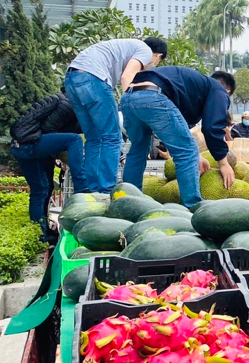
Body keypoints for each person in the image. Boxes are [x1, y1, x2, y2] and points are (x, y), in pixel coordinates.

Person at [120, 66, 234, 209]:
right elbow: (211, 127)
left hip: (128, 97)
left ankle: (129, 201)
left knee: (137, 149)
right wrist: (223, 163)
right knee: (187, 150)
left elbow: (174, 129)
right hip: (153, 95)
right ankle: (193, 205)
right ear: (228, 91)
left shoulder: (191, 86)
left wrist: (197, 157)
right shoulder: (219, 91)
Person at [64, 37, 168, 193]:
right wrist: (130, 103)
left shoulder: (126, 46)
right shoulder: (145, 50)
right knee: (112, 137)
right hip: (93, 78)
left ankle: (92, 189)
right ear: (158, 55)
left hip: (72, 78)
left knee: (93, 137)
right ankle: (107, 189)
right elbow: (127, 77)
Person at [10, 93, 89, 242]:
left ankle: (41, 233)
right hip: (28, 145)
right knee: (74, 140)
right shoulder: (67, 106)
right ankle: (81, 188)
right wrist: (64, 156)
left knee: (42, 190)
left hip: (20, 146)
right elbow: (48, 131)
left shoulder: (69, 108)